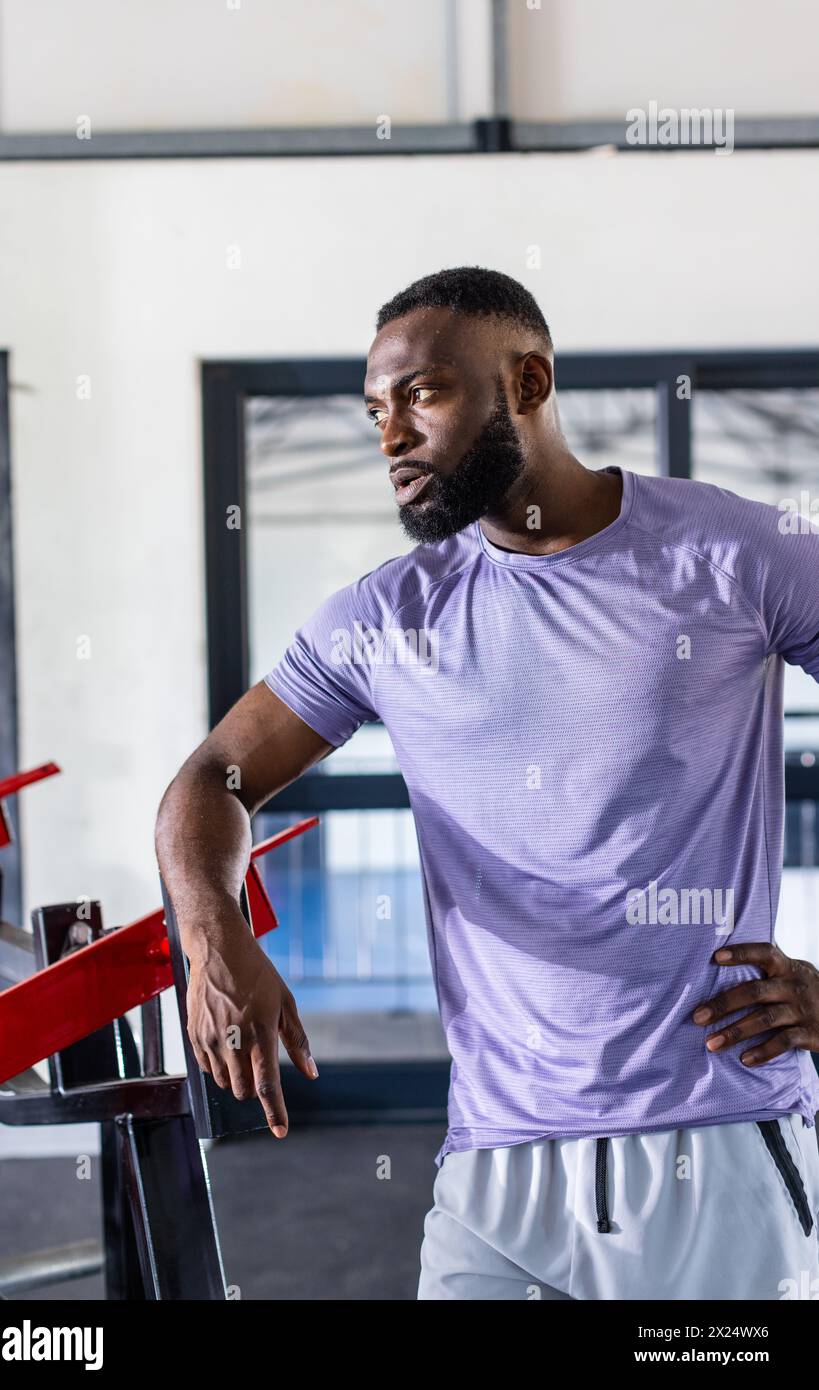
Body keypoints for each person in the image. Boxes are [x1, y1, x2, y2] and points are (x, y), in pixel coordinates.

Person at [155, 266, 819, 1300]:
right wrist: (211, 935)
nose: (391, 437)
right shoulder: (388, 616)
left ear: (528, 380)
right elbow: (211, 776)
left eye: (422, 393)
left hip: (715, 1143)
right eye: (376, 408)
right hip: (494, 1170)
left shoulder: (732, 553)